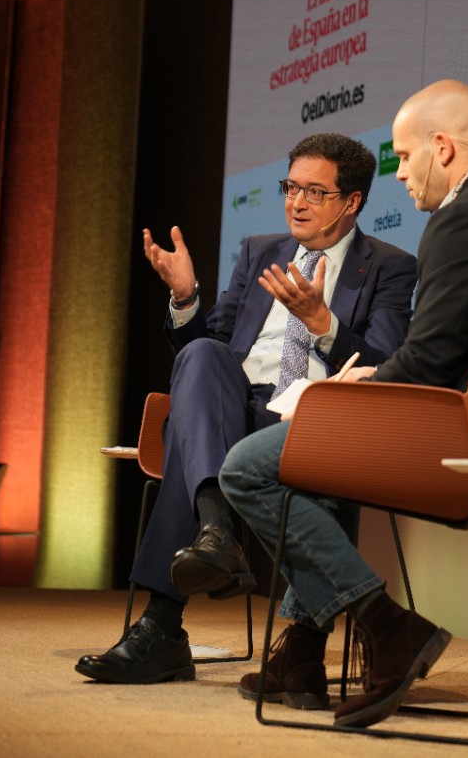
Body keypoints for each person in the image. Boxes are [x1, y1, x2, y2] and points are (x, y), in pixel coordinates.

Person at [217, 80, 468, 727]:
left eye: (403, 158)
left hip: (464, 445)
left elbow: (426, 364)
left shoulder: (461, 220)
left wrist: (345, 389)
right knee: (323, 454)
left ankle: (385, 624)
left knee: (248, 467)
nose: (401, 176)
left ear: (441, 148)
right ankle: (302, 651)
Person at [76, 132, 417, 685]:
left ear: (351, 201)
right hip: (238, 405)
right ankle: (217, 531)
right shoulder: (261, 250)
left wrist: (322, 323)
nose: (296, 203)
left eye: (314, 192)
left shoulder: (389, 266)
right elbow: (201, 358)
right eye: (290, 187)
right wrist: (186, 299)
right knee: (206, 357)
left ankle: (165, 624)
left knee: (190, 441)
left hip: (312, 415)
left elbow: (386, 362)